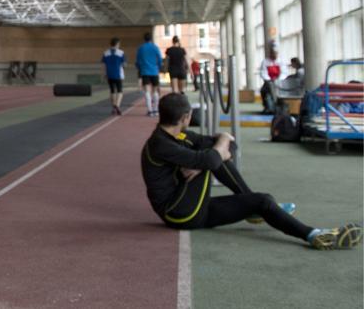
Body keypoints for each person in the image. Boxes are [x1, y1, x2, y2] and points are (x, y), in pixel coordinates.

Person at [141, 93, 360, 250]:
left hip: (194, 208)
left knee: (262, 201)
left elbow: (226, 147)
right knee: (210, 157)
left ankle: (313, 234)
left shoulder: (181, 135)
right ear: (186, 118)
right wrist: (210, 157)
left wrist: (222, 141)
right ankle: (252, 204)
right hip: (178, 213)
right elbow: (211, 158)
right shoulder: (160, 144)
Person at [136, 32, 163, 117]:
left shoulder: (141, 48)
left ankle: (150, 110)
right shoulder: (155, 47)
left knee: (147, 91)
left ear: (144, 39)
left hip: (145, 71)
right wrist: (158, 67)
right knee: (155, 91)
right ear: (151, 38)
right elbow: (159, 59)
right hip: (154, 71)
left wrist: (140, 68)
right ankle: (156, 110)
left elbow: (138, 61)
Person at [258, 44, 284, 115]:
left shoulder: (281, 61)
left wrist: (278, 79)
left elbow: (284, 72)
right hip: (269, 82)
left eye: (276, 53)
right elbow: (263, 72)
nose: (274, 55)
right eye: (273, 53)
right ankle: (267, 107)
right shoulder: (265, 62)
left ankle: (278, 107)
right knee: (264, 91)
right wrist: (269, 80)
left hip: (279, 82)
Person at [102, 38, 126, 116]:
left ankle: (113, 107)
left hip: (109, 74)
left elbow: (104, 65)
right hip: (118, 74)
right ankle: (117, 105)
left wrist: (105, 74)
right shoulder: (121, 53)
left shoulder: (105, 53)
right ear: (117, 44)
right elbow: (124, 64)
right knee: (120, 91)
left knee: (112, 90)